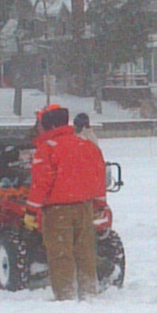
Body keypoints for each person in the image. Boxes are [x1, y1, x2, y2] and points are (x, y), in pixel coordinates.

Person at [29, 103, 109, 299]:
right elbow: (98, 176)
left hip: (57, 211)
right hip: (85, 207)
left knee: (61, 254)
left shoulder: (46, 150)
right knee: (85, 252)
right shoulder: (87, 146)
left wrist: (32, 210)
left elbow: (42, 182)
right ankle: (88, 291)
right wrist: (99, 203)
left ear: (48, 126)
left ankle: (66, 295)